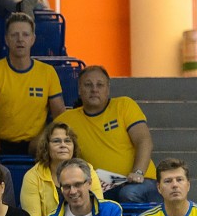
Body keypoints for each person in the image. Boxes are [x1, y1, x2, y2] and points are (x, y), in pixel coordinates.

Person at [55, 65, 158, 203]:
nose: (94, 89)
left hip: (141, 181)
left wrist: (138, 172)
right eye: (88, 85)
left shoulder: (124, 105)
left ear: (107, 89)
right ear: (79, 89)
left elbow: (143, 140)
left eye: (100, 85)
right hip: (101, 186)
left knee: (128, 193)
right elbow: (41, 143)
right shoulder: (67, 119)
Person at [0, 13, 64, 154]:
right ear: (6, 40)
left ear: (33, 39)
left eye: (25, 35)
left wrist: (44, 138)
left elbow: (60, 115)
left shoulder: (47, 72)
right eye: (14, 35)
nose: (20, 39)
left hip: (36, 146)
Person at [20, 121, 104, 216]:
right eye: (56, 141)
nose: (63, 145)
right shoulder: (33, 176)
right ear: (46, 146)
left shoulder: (87, 170)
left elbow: (99, 208)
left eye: (67, 141)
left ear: (73, 146)